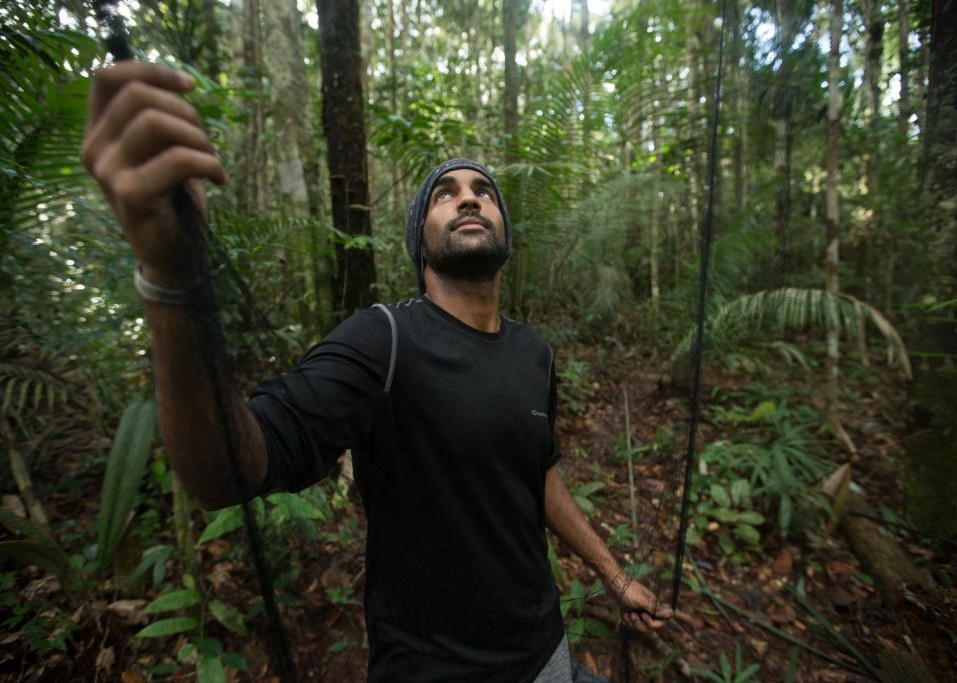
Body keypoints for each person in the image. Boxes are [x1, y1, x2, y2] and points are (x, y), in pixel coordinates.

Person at [82, 62, 672, 682]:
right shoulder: (383, 339)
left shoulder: (535, 351)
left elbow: (539, 471)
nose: (469, 196)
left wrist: (616, 576)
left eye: (483, 191)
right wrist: (174, 278)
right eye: (446, 194)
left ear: (504, 229)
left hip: (547, 654)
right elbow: (232, 468)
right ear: (421, 241)